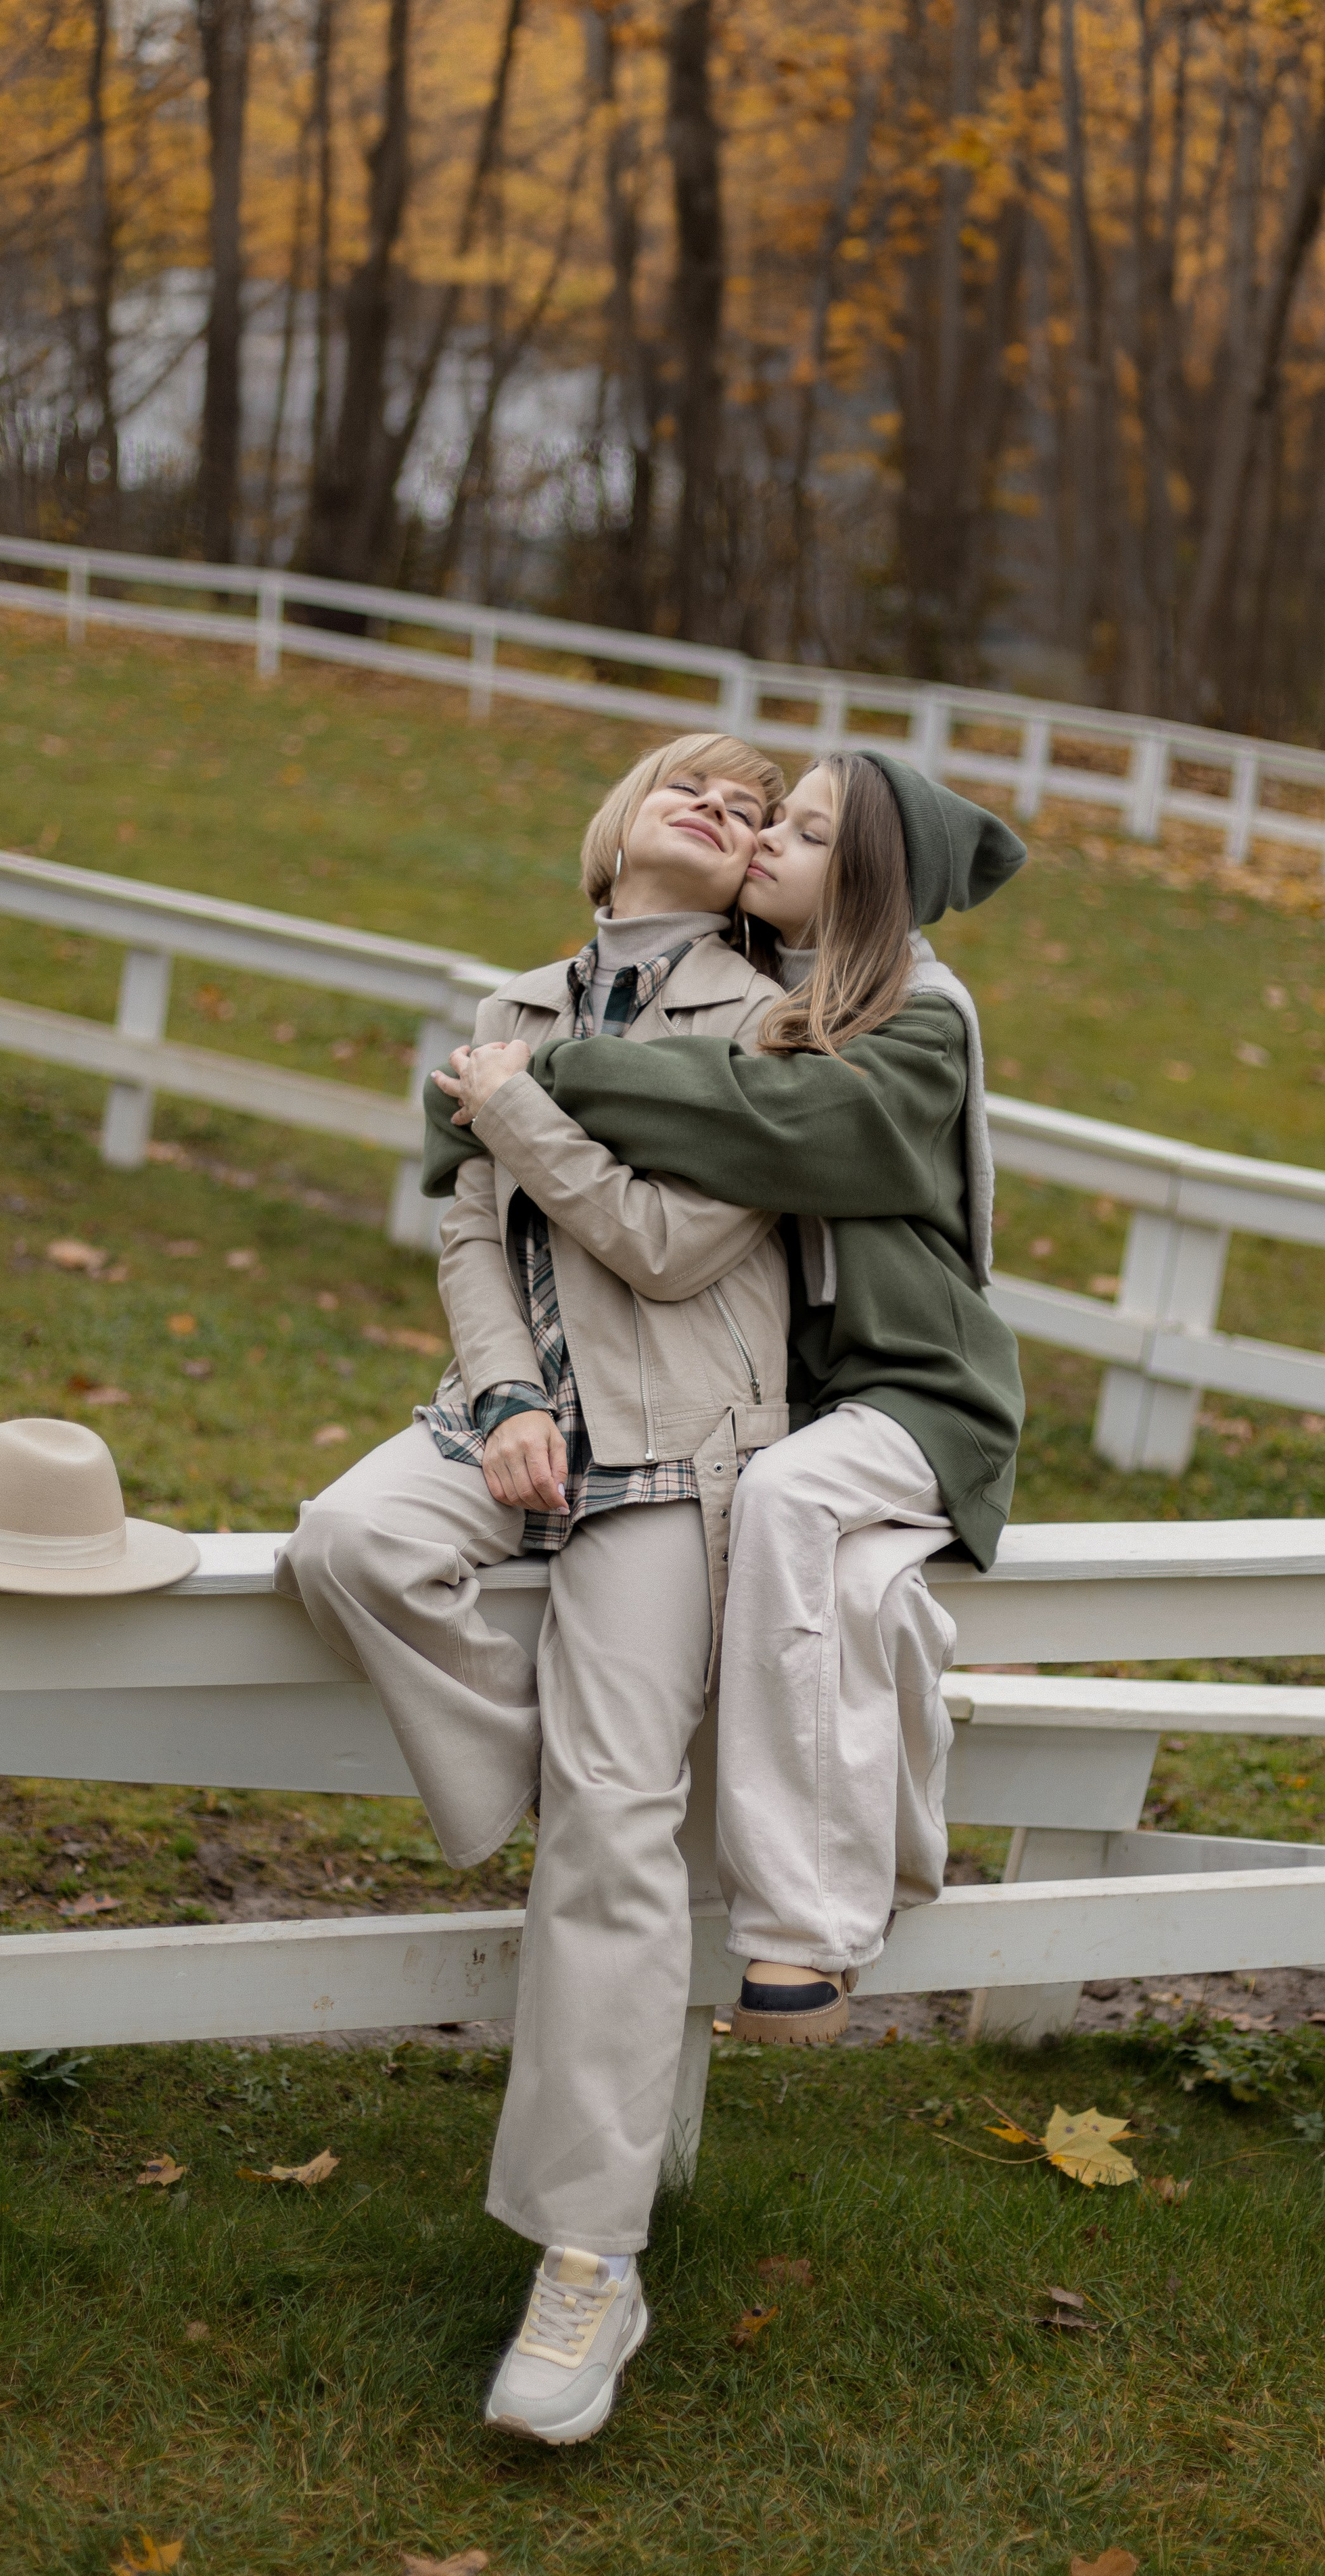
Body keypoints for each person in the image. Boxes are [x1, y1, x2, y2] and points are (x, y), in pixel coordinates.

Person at [277, 732, 791, 2448]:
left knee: (620, 1835)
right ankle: (525, 1768)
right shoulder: (520, 991)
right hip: (513, 1414)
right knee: (345, 1545)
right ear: (620, 826)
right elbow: (468, 1230)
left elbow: (673, 1244)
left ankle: (589, 2262)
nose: (717, 809)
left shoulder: (772, 1024)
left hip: (677, 1439)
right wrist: (496, 1399)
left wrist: (509, 1104)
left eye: (749, 805)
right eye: (688, 787)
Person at [430, 748, 1025, 2050]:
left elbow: (778, 1119)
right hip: (819, 1397)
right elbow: (497, 1165)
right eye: (776, 820)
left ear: (864, 881)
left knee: (784, 1496)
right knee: (786, 1527)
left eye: (803, 834)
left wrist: (545, 1077)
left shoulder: (916, 1024)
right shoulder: (775, 992)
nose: (764, 843)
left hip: (923, 1395)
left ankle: (798, 1941)